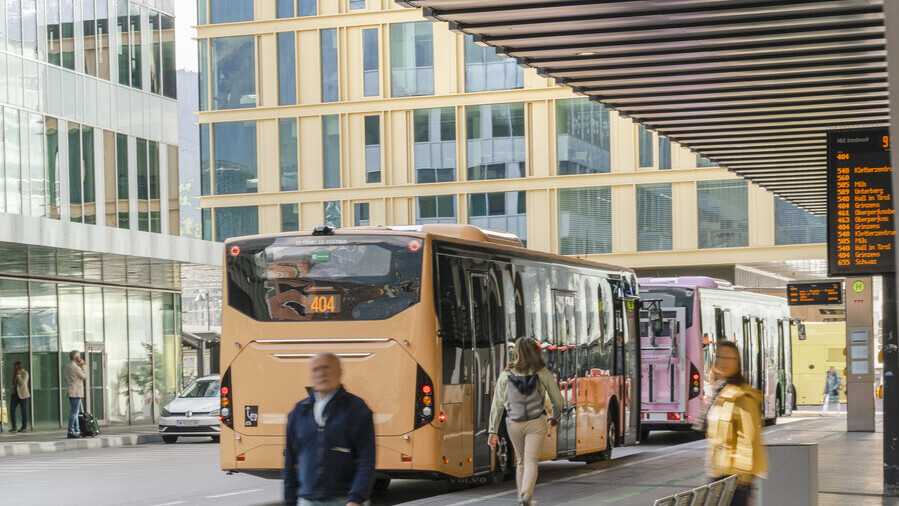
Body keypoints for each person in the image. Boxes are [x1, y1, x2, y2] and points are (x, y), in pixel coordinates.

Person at [283, 352, 375, 506]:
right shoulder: (299, 411)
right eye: (316, 369)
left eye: (326, 367)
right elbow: (290, 462)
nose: (321, 373)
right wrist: (290, 500)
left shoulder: (357, 408)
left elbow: (367, 459)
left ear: (340, 372)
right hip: (307, 500)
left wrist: (356, 498)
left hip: (345, 499)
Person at [488, 337, 564, 506]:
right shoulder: (542, 372)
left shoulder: (506, 374)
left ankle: (521, 498)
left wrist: (492, 431)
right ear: (536, 352)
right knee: (531, 460)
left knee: (521, 461)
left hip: (513, 423)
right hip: (536, 422)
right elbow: (558, 401)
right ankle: (526, 495)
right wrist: (555, 416)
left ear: (516, 352)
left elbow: (497, 404)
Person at [702, 341, 767, 506]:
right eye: (721, 356)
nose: (724, 362)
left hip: (736, 479)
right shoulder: (721, 392)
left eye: (730, 357)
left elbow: (749, 439)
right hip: (718, 473)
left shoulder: (743, 397)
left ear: (738, 363)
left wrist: (743, 478)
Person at [64, 350, 88, 439]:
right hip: (76, 391)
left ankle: (77, 430)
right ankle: (70, 431)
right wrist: (84, 365)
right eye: (79, 356)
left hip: (71, 390)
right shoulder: (76, 367)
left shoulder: (67, 366)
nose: (80, 358)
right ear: (76, 358)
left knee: (75, 411)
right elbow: (84, 376)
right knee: (74, 412)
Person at [9, 362, 31, 433]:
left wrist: (18, 375)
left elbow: (22, 383)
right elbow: (12, 383)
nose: (14, 368)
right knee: (12, 411)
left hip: (23, 395)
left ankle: (23, 427)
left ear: (19, 367)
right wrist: (12, 389)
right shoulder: (14, 373)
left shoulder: (25, 373)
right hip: (14, 395)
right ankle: (14, 427)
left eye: (15, 367)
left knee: (24, 412)